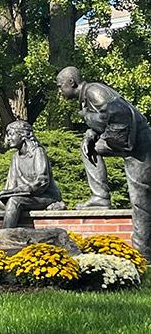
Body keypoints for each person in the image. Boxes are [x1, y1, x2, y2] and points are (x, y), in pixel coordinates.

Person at [56, 66, 151, 260]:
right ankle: (100, 196)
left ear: (71, 83)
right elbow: (102, 120)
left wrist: (105, 135)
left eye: (60, 86)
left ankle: (144, 254)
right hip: (126, 141)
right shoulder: (87, 97)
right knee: (89, 148)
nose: (59, 90)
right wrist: (92, 134)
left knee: (140, 198)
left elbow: (120, 114)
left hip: (137, 144)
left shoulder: (94, 91)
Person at [0, 120, 63, 228]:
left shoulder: (38, 152)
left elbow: (42, 182)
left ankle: (6, 234)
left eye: (11, 134)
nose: (8, 139)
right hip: (26, 196)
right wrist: (6, 193)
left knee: (14, 201)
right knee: (0, 204)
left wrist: (17, 191)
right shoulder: (15, 157)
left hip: (44, 195)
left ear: (22, 135)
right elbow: (12, 185)